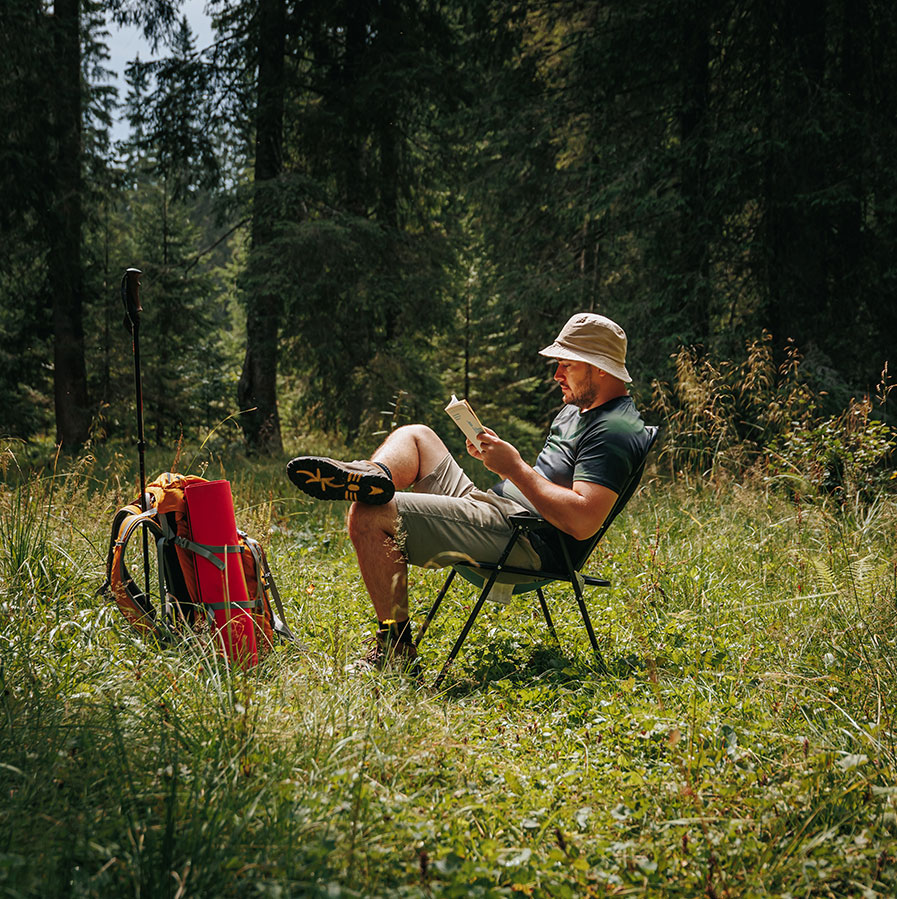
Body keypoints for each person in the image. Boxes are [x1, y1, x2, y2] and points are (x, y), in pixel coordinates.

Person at [287, 312, 651, 670]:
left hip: (525, 541)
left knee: (370, 513)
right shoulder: (577, 410)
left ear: (599, 368)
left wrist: (513, 467)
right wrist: (502, 458)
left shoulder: (615, 430)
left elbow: (584, 521)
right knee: (417, 436)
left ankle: (395, 651)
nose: (556, 375)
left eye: (566, 365)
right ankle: (373, 475)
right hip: (497, 512)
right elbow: (549, 479)